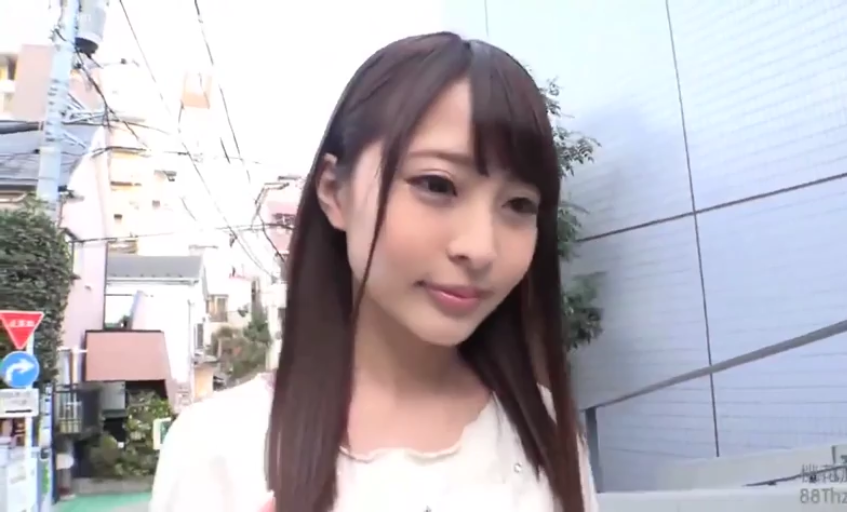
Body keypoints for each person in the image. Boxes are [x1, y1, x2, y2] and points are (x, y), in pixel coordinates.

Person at [150, 31, 599, 512]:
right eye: (437, 185)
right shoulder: (218, 449)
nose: (480, 248)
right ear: (334, 191)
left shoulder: (545, 432)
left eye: (519, 204)